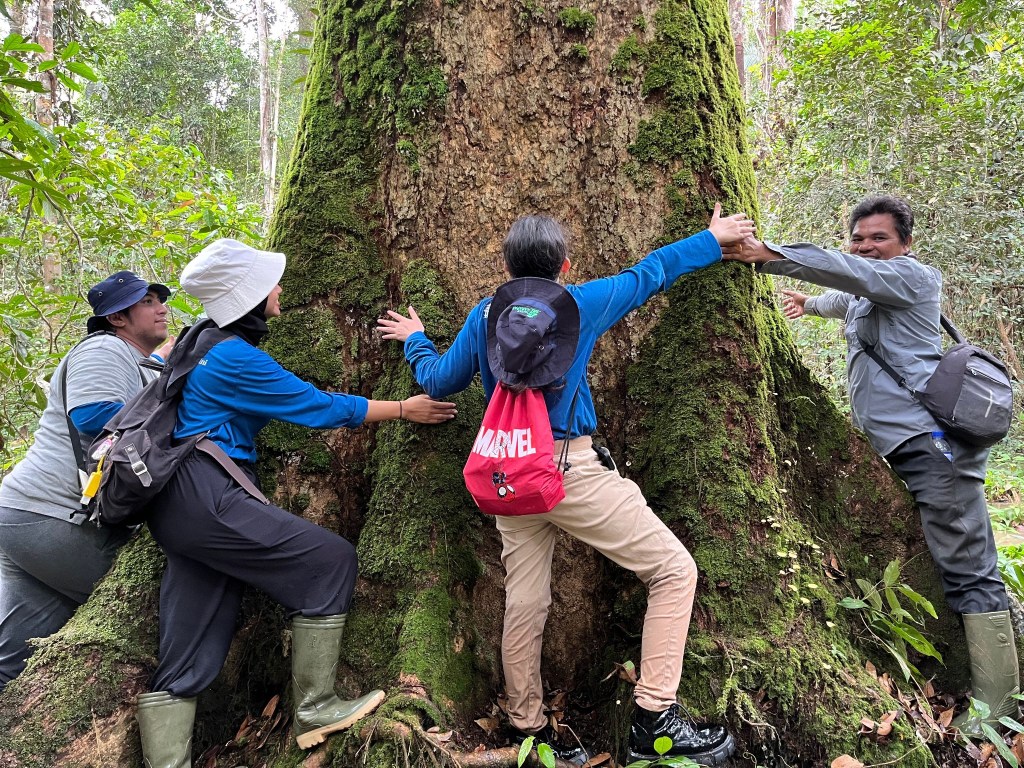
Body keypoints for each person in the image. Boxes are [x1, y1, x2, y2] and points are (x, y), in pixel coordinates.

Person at [377, 205, 755, 766]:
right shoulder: (580, 303)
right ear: (565, 264)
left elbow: (438, 381)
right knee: (675, 570)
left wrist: (416, 339)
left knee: (525, 601)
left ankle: (529, 730)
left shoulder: (484, 316)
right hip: (568, 471)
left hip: (509, 476)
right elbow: (647, 274)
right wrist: (710, 238)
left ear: (506, 267)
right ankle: (655, 719)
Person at [135, 238, 456, 767]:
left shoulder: (201, 340)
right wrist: (403, 408)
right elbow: (317, 407)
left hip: (175, 506)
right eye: (271, 282)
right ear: (250, 295)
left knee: (188, 644)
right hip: (205, 494)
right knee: (329, 560)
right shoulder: (234, 358)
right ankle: (315, 707)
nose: (280, 288)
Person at [720, 194, 1020, 736]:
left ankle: (997, 711)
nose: (865, 247)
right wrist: (809, 306)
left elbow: (850, 273)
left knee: (970, 566)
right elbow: (847, 296)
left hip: (934, 446)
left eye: (878, 237)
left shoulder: (915, 278)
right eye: (858, 238)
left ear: (905, 243)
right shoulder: (871, 291)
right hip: (903, 446)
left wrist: (768, 253)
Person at [0, 271, 173, 691]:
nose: (162, 308)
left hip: (29, 518)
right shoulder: (104, 349)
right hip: (53, 516)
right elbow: (94, 415)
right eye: (148, 302)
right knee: (158, 608)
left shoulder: (139, 363)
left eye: (160, 300)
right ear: (117, 318)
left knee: (12, 662)